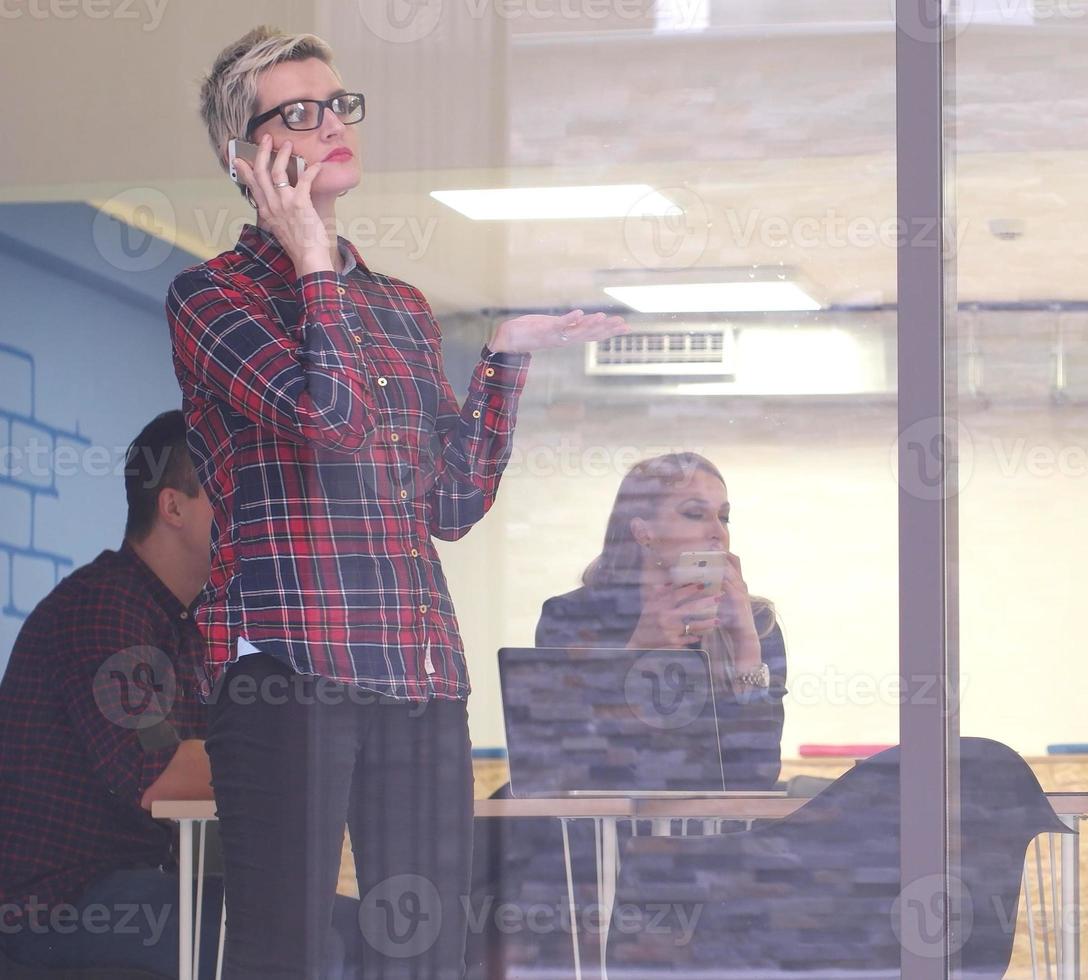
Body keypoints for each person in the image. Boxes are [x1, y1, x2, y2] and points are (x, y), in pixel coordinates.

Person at [168, 27, 624, 977]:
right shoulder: (210, 298)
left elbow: (450, 501)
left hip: (416, 671)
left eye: (337, 105)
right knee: (284, 949)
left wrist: (501, 356)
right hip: (286, 667)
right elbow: (326, 420)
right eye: (298, 113)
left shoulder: (404, 308)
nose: (331, 124)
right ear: (243, 157)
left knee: (423, 953)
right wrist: (313, 263)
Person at [0, 411, 217, 975]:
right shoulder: (106, 610)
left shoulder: (183, 626)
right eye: (232, 489)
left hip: (126, 889)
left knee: (317, 928)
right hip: (58, 908)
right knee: (302, 939)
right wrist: (314, 765)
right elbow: (163, 774)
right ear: (173, 507)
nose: (255, 512)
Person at [535, 451, 785, 786]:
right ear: (643, 532)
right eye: (695, 514)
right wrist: (637, 650)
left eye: (724, 518)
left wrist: (745, 644)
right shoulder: (571, 618)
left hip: (716, 833)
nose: (717, 532)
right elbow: (566, 763)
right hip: (606, 832)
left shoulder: (757, 622)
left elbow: (758, 776)